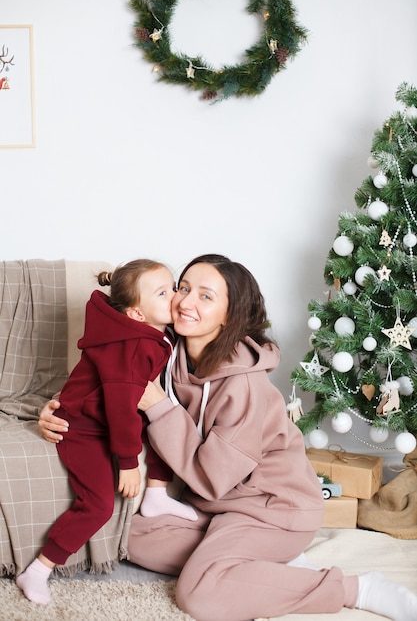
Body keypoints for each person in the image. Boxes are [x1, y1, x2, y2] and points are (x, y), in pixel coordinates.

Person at [38, 254, 417, 621]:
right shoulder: (162, 347)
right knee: (126, 537)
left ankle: (358, 589)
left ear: (229, 315)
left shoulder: (245, 386)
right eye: (182, 288)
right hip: (213, 510)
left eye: (206, 296)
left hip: (272, 508)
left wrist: (157, 405)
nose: (185, 301)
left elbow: (212, 479)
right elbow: (104, 378)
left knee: (200, 594)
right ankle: (256, 563)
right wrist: (56, 408)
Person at [17, 258, 196, 606]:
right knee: (98, 505)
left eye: (173, 287)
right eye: (163, 293)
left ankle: (157, 496)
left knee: (164, 423)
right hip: (82, 428)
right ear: (136, 315)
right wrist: (127, 462)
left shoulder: (153, 335)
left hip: (107, 416)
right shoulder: (133, 346)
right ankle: (38, 569)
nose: (175, 297)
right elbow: (119, 407)